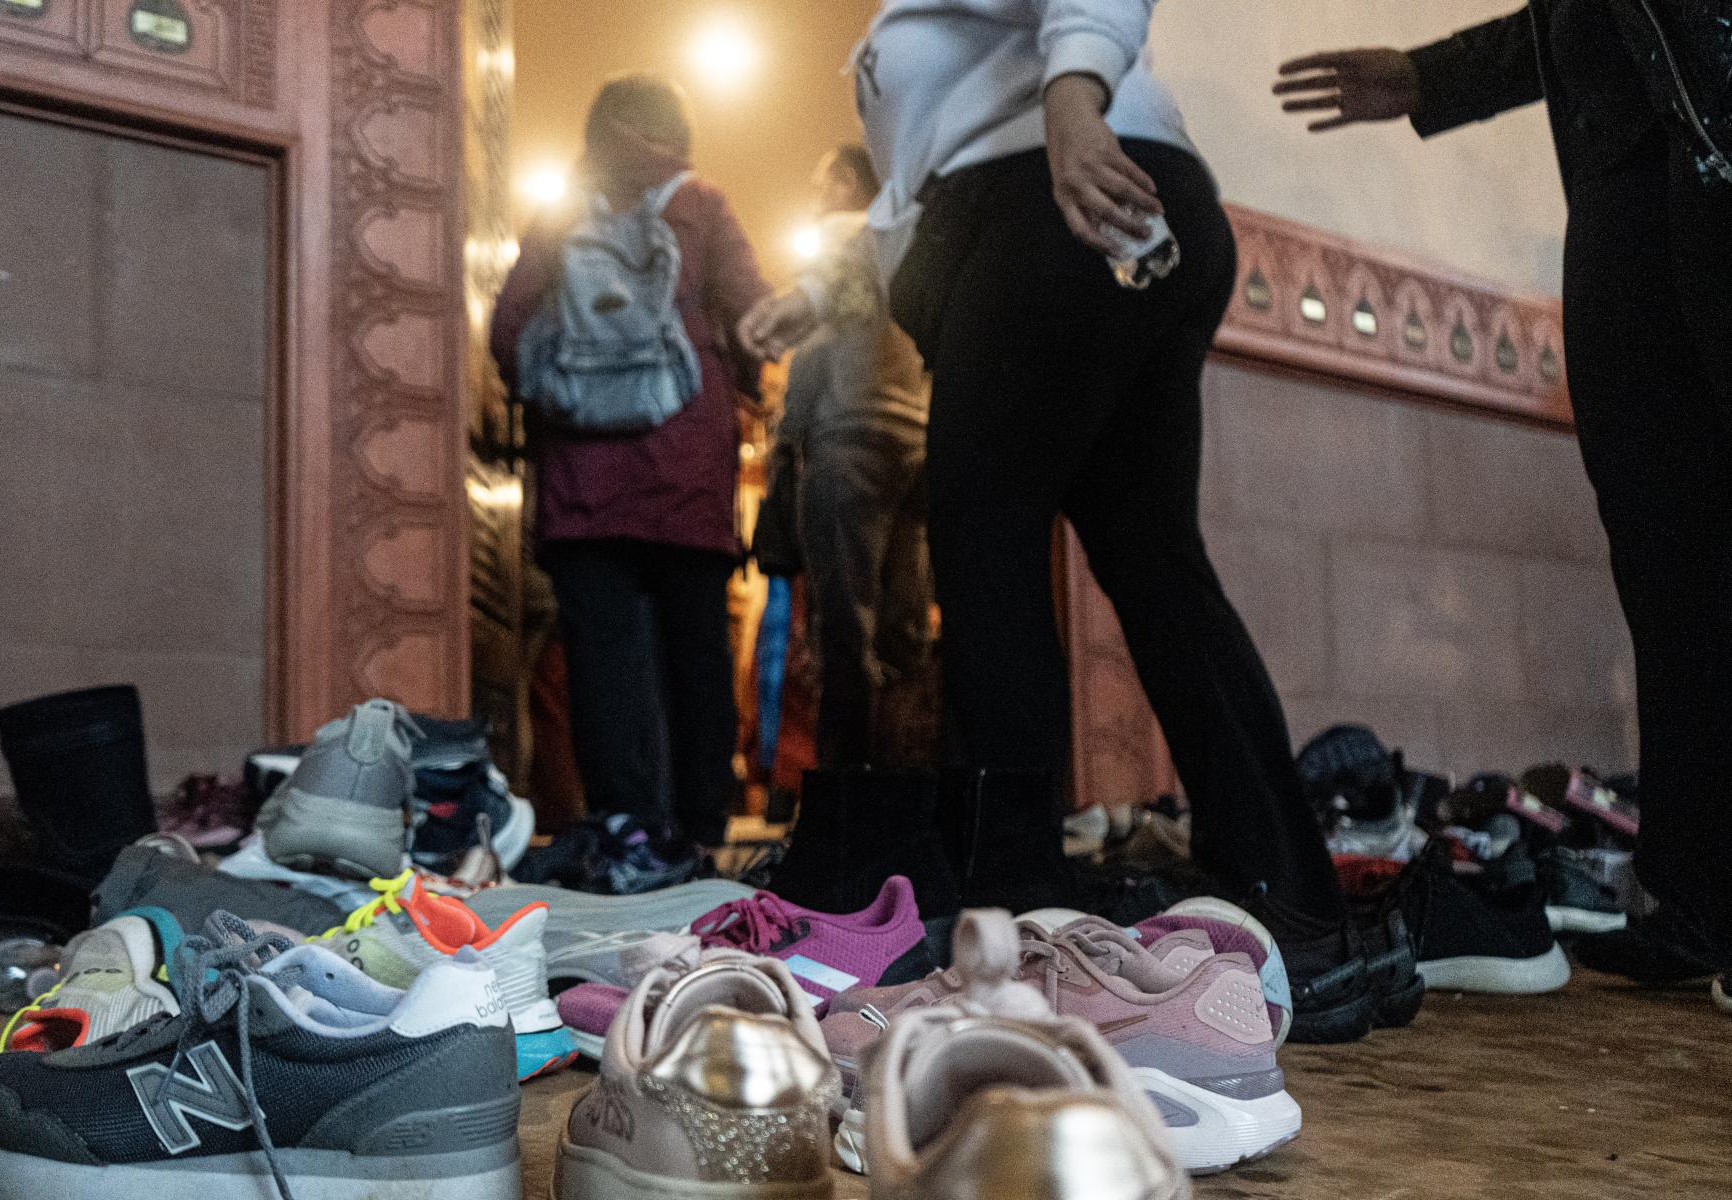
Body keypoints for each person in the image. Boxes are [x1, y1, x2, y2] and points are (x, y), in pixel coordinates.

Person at [741, 1, 1383, 1040]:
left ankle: (1018, 921)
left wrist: (1075, 105)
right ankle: (1289, 902)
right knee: (1156, 561)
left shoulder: (1025, 89)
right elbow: (924, 172)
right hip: (1104, 209)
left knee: (986, 548)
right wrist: (825, 292)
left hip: (1054, 206)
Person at [1273, 15, 1732, 997]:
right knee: (1664, 556)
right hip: (1627, 190)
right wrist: (1432, 77)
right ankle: (1702, 898)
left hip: (1713, 157)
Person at [491, 74, 772, 859]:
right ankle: (701, 828)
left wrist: (558, 401)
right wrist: (742, 393)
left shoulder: (561, 213)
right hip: (686, 471)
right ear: (674, 130)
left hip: (584, 485)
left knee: (602, 657)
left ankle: (624, 819)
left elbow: (510, 326)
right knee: (696, 653)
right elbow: (754, 318)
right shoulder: (700, 204)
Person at [772, 145, 933, 769]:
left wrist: (788, 436)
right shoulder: (908, 239)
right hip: (913, 445)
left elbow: (814, 350)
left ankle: (847, 802)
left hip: (848, 440)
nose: (817, 197)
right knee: (904, 632)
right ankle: (905, 788)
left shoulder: (835, 239)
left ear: (846, 182)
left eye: (821, 182)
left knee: (845, 633)